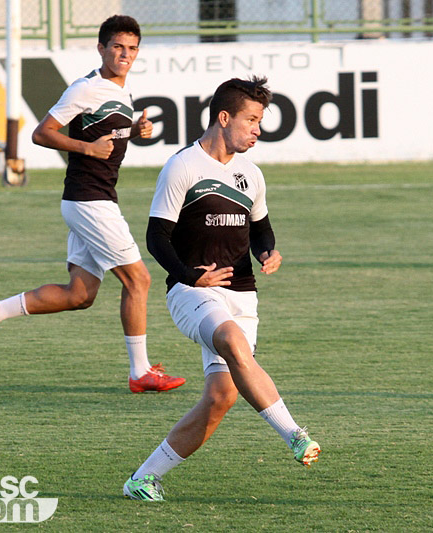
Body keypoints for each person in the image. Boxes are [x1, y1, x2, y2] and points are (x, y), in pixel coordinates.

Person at [122, 76, 320, 502]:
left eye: (260, 121)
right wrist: (190, 276)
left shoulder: (252, 173)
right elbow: (157, 237)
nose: (257, 129)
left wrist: (269, 252)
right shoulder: (183, 166)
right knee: (232, 341)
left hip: (242, 295)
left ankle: (143, 478)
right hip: (191, 293)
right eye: (251, 120)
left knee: (220, 399)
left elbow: (262, 231)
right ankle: (295, 434)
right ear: (223, 117)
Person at [0, 15, 185, 394]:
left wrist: (133, 130)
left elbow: (105, 132)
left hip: (92, 199)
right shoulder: (87, 88)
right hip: (90, 200)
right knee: (139, 280)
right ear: (101, 48)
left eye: (132, 48)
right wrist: (85, 147)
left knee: (79, 295)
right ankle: (140, 372)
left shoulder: (119, 90)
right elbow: (41, 133)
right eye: (117, 47)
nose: (125, 54)